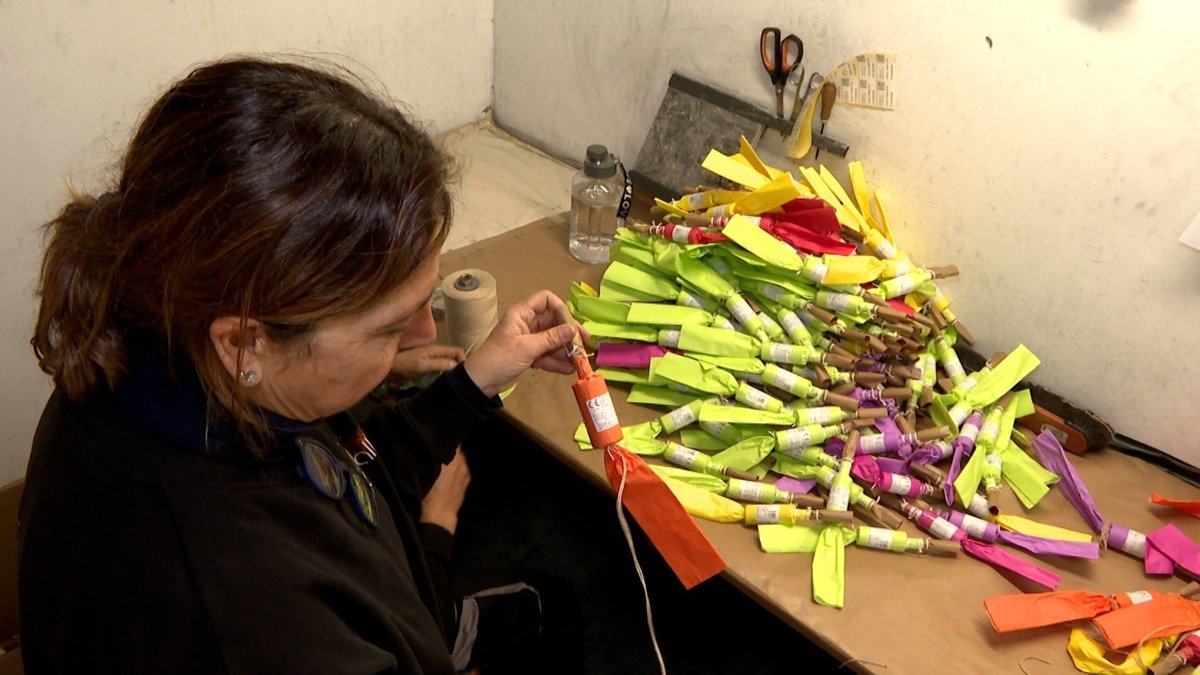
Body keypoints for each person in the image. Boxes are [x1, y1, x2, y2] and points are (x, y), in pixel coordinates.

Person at [20, 57, 583, 674]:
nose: (424, 334)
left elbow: (344, 470)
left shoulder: (163, 351)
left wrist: (474, 381)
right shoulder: (253, 618)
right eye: (392, 326)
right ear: (245, 344)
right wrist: (435, 537)